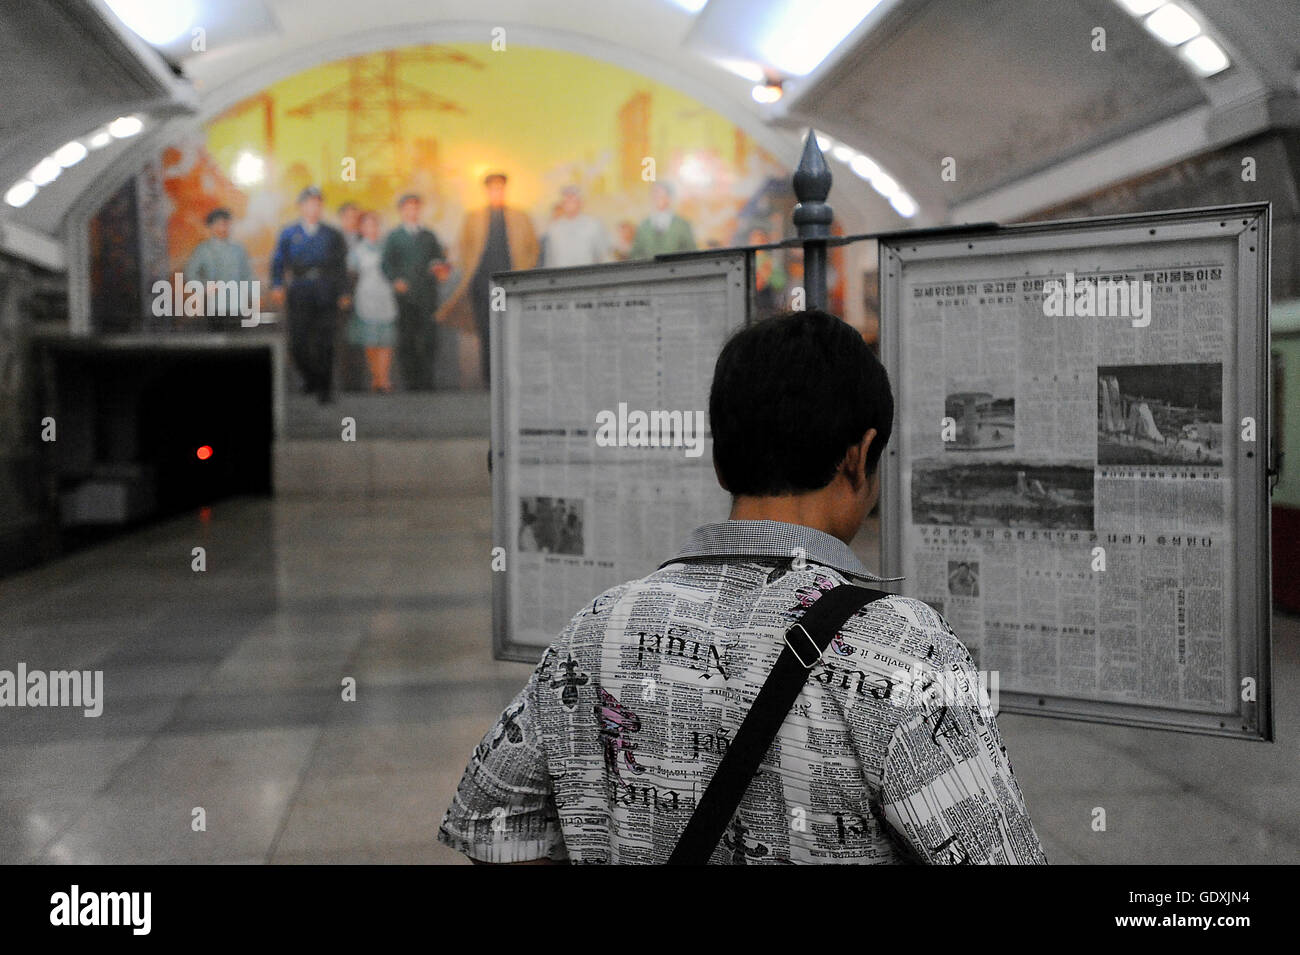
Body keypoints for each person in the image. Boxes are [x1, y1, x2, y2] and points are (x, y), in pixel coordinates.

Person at [439, 309, 1046, 865]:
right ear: (859, 456)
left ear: (722, 461)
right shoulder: (903, 645)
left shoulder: (599, 627)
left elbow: (489, 821)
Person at [437, 172, 538, 386]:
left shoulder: (520, 217)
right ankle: (489, 379)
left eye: (500, 187)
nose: (497, 191)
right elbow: (463, 247)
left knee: (509, 330)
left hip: (510, 284)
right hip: (482, 284)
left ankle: (509, 377)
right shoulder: (473, 218)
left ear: (505, 189)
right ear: (487, 190)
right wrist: (468, 272)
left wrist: (524, 272)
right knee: (487, 331)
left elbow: (532, 248)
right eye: (493, 188)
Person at [270, 186, 348, 403]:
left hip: (326, 289)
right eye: (309, 203)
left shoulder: (332, 234)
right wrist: (277, 285)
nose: (314, 207)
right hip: (300, 290)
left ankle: (325, 388)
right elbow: (278, 262)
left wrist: (343, 291)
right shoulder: (289, 233)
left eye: (318, 203)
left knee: (325, 341)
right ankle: (311, 378)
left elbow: (341, 266)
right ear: (301, 206)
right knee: (298, 342)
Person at [382, 193, 450, 391]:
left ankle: (426, 380)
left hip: (427, 294)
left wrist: (440, 269)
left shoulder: (429, 235)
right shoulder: (394, 237)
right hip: (405, 296)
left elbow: (437, 260)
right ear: (401, 211)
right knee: (407, 338)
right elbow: (386, 264)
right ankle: (410, 381)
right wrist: (395, 280)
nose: (412, 212)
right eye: (408, 208)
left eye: (415, 208)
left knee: (429, 337)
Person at [345, 211, 399, 393]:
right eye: (367, 225)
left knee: (386, 340)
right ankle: (376, 377)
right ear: (361, 228)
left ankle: (384, 378)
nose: (372, 229)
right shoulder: (356, 250)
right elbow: (350, 274)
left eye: (374, 224)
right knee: (371, 340)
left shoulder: (387, 247)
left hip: (385, 294)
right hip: (366, 295)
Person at [185, 208, 253, 331]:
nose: (223, 228)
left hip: (237, 305)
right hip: (214, 304)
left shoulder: (238, 249)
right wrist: (204, 286)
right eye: (219, 224)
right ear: (210, 227)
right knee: (217, 341)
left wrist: (252, 295)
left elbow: (247, 275)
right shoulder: (203, 250)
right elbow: (190, 273)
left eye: (226, 224)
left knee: (238, 341)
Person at [540, 186, 609, 268]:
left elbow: (602, 255)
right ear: (562, 203)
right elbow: (550, 259)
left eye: (573, 200)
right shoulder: (554, 228)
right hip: (562, 276)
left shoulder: (593, 225)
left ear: (581, 202)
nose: (570, 203)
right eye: (566, 200)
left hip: (588, 275)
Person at [629, 181, 696, 259]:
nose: (657, 199)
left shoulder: (683, 224)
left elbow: (691, 253)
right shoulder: (643, 225)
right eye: (655, 196)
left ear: (669, 198)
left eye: (661, 196)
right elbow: (635, 253)